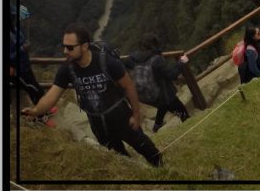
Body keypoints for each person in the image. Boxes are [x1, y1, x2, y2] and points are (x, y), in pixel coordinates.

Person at [22, 24, 162, 166]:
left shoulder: (107, 62)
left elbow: (129, 86)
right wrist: (35, 111)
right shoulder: (67, 69)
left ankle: (162, 170)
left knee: (147, 149)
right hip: (97, 123)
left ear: (84, 46)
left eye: (70, 47)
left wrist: (136, 115)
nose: (65, 51)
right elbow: (51, 96)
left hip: (121, 116)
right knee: (119, 159)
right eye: (64, 46)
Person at [125, 34, 190, 133]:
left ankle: (156, 127)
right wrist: (182, 62)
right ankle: (189, 130)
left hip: (146, 95)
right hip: (164, 95)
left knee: (162, 106)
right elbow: (172, 75)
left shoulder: (132, 59)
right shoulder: (156, 60)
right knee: (183, 113)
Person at [8, 6, 47, 110]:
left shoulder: (16, 31)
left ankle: (44, 108)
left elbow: (22, 42)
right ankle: (43, 114)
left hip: (25, 66)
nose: (13, 19)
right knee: (32, 89)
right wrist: (22, 48)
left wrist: (26, 45)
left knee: (35, 87)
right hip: (17, 70)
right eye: (12, 16)